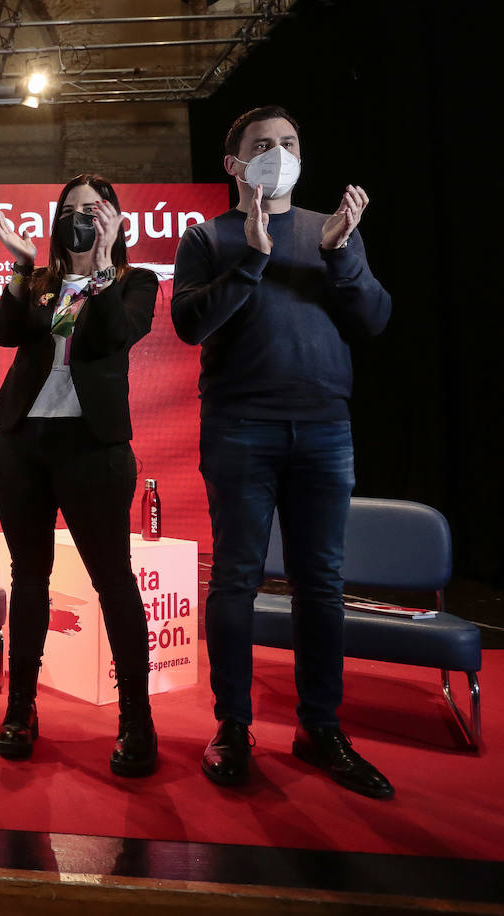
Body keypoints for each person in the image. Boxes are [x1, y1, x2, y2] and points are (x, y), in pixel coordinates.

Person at [172, 106, 393, 798]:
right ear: (236, 165)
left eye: (289, 143)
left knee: (321, 585)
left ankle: (319, 728)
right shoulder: (209, 237)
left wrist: (341, 254)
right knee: (236, 578)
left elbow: (375, 319)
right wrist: (255, 258)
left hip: (325, 430)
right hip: (240, 429)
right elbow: (188, 323)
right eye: (262, 145)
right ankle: (232, 728)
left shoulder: (330, 229)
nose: (278, 152)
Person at [0, 176, 159, 775]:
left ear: (113, 218)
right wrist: (20, 267)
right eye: (71, 210)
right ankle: (21, 708)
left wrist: (105, 267)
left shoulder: (135, 282)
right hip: (23, 443)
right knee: (29, 579)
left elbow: (113, 335)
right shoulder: (40, 282)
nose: (81, 218)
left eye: (93, 209)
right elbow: (5, 333)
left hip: (94, 448)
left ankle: (136, 719)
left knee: (113, 580)